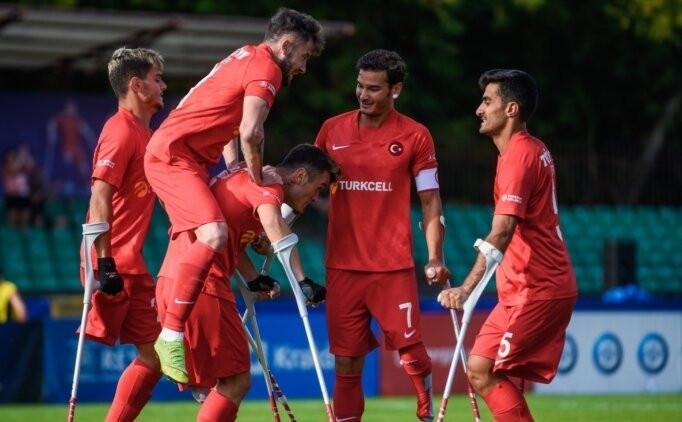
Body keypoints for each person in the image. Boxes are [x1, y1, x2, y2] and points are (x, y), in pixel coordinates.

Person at [145, 7, 325, 382]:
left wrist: (234, 168)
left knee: (209, 233)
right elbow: (250, 132)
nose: (303, 67)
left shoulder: (245, 57)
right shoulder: (267, 68)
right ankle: (171, 334)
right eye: (304, 56)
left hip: (185, 160)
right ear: (286, 45)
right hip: (174, 157)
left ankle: (172, 326)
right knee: (213, 233)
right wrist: (256, 176)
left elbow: (231, 125)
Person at [314, 49, 450, 421]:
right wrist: (276, 223)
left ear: (395, 90)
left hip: (392, 266)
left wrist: (434, 257)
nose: (363, 94)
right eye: (360, 86)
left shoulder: (416, 135)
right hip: (342, 266)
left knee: (411, 351)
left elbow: (430, 201)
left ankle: (426, 408)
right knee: (346, 360)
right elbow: (306, 185)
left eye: (373, 88)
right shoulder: (332, 130)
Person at [155, 144, 336, 420]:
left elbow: (230, 238)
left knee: (214, 387)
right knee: (235, 382)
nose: (315, 198)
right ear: (300, 176)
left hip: (174, 280)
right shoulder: (268, 185)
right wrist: (303, 281)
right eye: (318, 188)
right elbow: (275, 227)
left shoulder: (241, 178)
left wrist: (254, 278)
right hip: (203, 286)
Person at [438, 69, 578, 421]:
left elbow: (502, 231)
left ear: (511, 109)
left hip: (539, 288)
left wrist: (466, 289)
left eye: (487, 101)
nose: (479, 110)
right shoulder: (526, 149)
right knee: (479, 369)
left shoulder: (519, 156)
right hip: (518, 291)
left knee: (486, 369)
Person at [80, 47, 167, 421]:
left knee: (157, 355)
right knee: (158, 353)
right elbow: (99, 196)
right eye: (157, 79)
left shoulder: (147, 135)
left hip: (130, 260)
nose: (163, 86)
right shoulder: (120, 130)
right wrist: (105, 263)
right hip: (113, 262)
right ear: (137, 85)